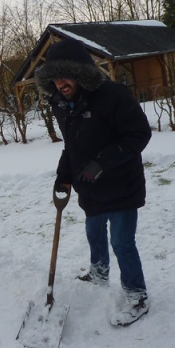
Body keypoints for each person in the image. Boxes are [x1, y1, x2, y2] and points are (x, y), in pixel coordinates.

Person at [35, 38, 152, 326]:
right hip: (90, 187)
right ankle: (98, 274)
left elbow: (139, 135)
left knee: (122, 243)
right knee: (94, 235)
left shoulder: (112, 95)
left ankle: (137, 296)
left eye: (66, 76)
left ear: (81, 73)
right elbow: (71, 146)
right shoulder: (61, 104)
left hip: (122, 184)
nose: (60, 83)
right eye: (54, 78)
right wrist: (64, 176)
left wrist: (102, 162)